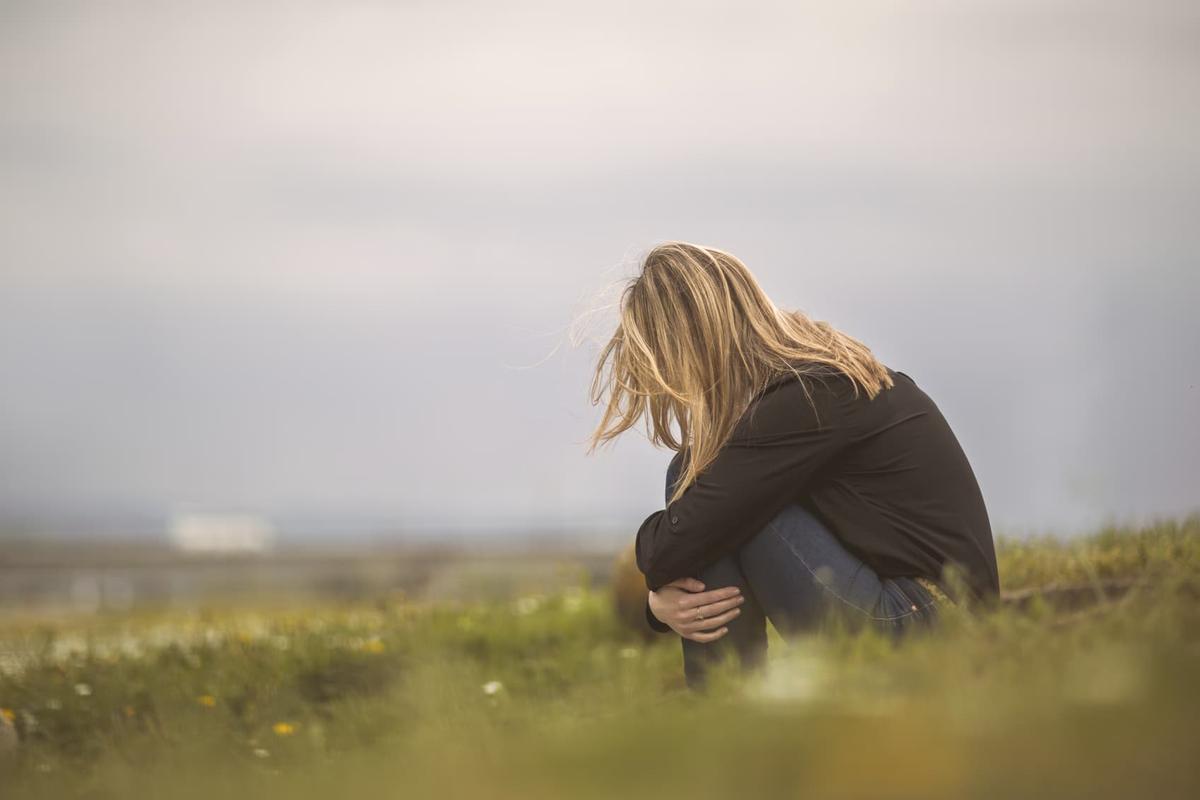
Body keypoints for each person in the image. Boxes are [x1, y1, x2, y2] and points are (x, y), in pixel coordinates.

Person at [587, 241, 1000, 688]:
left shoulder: (807, 396)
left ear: (695, 339)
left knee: (697, 480)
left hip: (931, 625)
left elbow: (671, 549)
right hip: (923, 612)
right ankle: (728, 710)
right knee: (706, 488)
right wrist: (660, 598)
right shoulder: (810, 379)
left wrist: (656, 604)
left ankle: (725, 710)